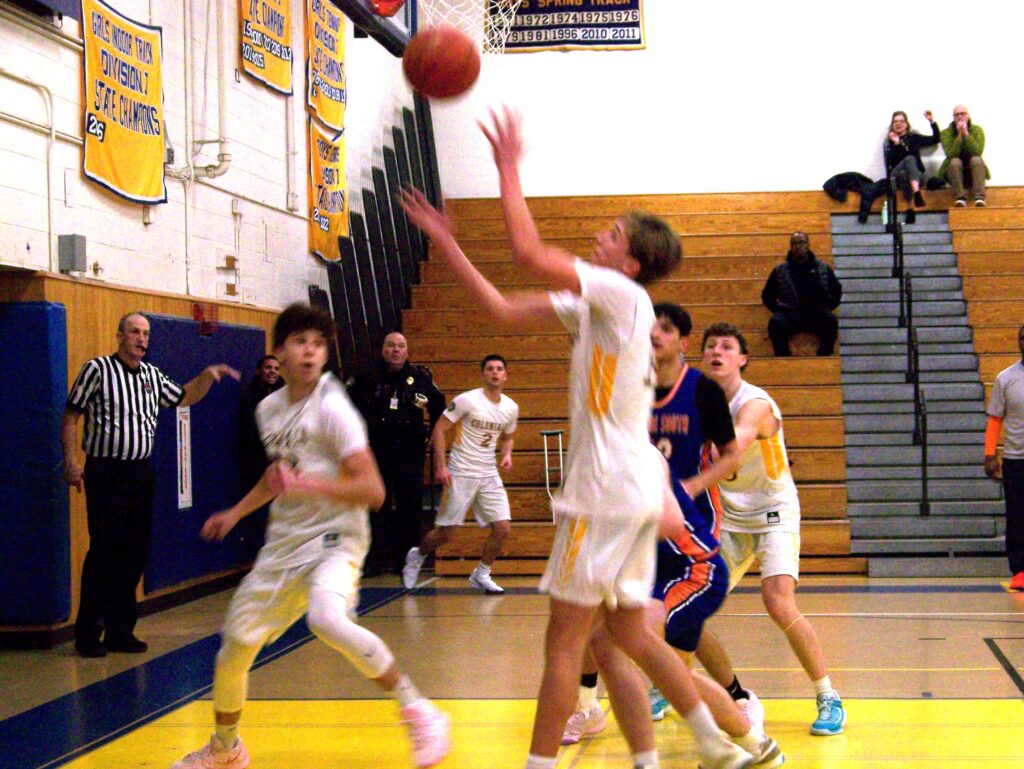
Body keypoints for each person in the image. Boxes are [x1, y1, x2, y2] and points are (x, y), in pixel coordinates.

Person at [401, 107, 754, 769]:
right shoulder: (601, 305)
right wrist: (448, 243)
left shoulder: (622, 297)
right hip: (629, 489)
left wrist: (507, 169)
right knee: (622, 633)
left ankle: (538, 764)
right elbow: (503, 309)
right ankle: (712, 742)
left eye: (611, 231)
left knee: (563, 645)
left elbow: (528, 252)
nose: (599, 234)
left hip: (602, 490)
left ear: (634, 259)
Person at [170, 303, 450, 769]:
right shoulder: (268, 409)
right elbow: (279, 475)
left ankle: (419, 711)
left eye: (318, 344)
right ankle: (226, 749)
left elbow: (373, 490)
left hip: (337, 536)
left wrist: (310, 485)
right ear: (278, 352)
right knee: (235, 648)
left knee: (325, 617)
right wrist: (236, 512)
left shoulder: (334, 408)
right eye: (300, 342)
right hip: (284, 545)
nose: (310, 352)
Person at [563, 304, 783, 768]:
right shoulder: (626, 389)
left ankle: (740, 732)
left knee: (649, 651)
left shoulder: (701, 392)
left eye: (665, 328)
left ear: (683, 342)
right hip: (636, 530)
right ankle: (595, 711)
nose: (653, 335)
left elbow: (731, 458)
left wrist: (686, 489)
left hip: (687, 532)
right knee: (613, 640)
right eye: (649, 328)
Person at [695, 322, 846, 736]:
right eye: (710, 346)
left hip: (774, 512)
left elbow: (734, 444)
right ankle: (670, 683)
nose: (717, 352)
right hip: (731, 516)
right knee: (689, 607)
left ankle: (827, 694)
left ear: (742, 359)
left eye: (727, 346)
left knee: (778, 599)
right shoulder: (697, 401)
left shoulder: (756, 403)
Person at [61, 312, 239, 658]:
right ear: (119, 336)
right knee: (104, 551)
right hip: (106, 471)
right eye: (134, 332)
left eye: (145, 333)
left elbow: (184, 397)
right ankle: (87, 633)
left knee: (133, 552)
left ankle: (120, 630)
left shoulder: (152, 376)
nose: (141, 338)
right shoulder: (97, 370)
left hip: (141, 472)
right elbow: (71, 415)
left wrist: (206, 376)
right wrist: (70, 461)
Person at [403, 354, 519, 594]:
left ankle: (482, 573)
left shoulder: (510, 407)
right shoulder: (467, 400)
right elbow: (439, 429)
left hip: (488, 472)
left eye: (499, 369)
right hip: (462, 471)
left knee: (503, 528)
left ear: (505, 375)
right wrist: (441, 466)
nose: (495, 372)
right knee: (447, 534)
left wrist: (506, 455)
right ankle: (418, 554)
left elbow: (508, 437)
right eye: (490, 369)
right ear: (483, 374)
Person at [346, 332, 446, 576]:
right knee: (376, 504)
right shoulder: (365, 378)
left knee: (408, 505)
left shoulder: (420, 378)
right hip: (375, 450)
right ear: (383, 350)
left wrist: (436, 432)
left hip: (409, 451)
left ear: (407, 351)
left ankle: (405, 560)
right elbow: (345, 409)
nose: (396, 350)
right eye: (391, 345)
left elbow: (439, 408)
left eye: (401, 346)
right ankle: (375, 560)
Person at [984, 324, 1024, 591]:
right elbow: (995, 419)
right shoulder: (1005, 378)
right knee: (1018, 515)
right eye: (1022, 337)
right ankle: (1020, 570)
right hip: (1015, 459)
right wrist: (990, 454)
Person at [761, 232, 843, 357]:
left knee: (831, 321)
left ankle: (825, 357)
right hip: (790, 313)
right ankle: (783, 358)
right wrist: (779, 310)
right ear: (790, 246)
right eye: (794, 243)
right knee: (776, 323)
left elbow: (836, 290)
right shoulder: (781, 270)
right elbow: (767, 295)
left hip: (816, 312)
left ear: (808, 245)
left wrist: (827, 307)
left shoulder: (822, 268)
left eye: (802, 242)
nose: (798, 246)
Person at [237, 355, 284, 492]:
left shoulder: (287, 395)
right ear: (259, 371)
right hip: (257, 458)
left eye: (276, 368)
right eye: (268, 367)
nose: (273, 371)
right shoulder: (250, 395)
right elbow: (248, 429)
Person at [883, 110, 939, 224]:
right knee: (909, 160)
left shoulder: (914, 138)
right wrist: (897, 144)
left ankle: (910, 210)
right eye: (895, 122)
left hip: (917, 176)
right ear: (892, 125)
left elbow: (936, 139)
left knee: (907, 172)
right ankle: (916, 194)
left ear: (907, 124)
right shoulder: (888, 142)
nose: (898, 124)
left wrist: (932, 121)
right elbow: (892, 164)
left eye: (901, 121)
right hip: (896, 176)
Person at [939, 105, 989, 208]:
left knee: (976, 159)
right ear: (953, 117)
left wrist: (966, 134)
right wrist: (959, 136)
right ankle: (960, 198)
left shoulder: (977, 130)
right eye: (957, 114)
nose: (960, 117)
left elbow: (977, 151)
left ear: (968, 116)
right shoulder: (946, 133)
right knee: (955, 161)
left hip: (974, 172)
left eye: (963, 114)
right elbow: (951, 154)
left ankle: (979, 197)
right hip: (954, 172)